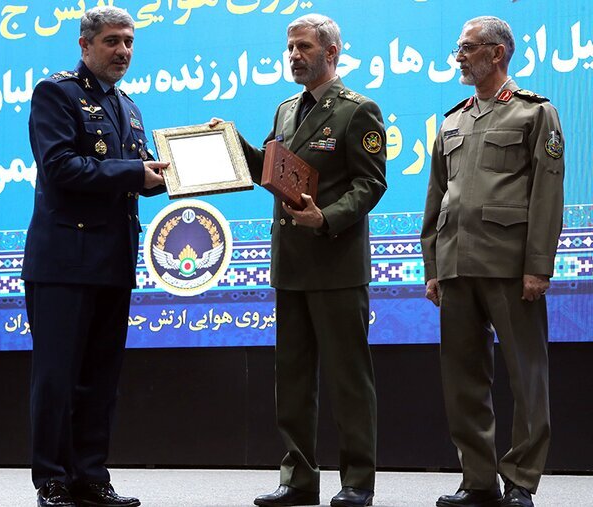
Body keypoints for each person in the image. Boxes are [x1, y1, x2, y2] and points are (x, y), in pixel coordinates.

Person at [212, 13, 387, 507]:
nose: (293, 55)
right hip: (290, 265)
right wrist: (232, 142)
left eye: (303, 47)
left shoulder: (358, 110)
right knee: (291, 380)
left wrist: (325, 218)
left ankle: (357, 482)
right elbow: (271, 171)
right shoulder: (286, 110)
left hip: (336, 264)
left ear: (331, 52)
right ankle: (298, 480)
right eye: (290, 47)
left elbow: (370, 184)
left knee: (349, 381)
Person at [23, 6, 167, 507]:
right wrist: (134, 174)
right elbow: (61, 167)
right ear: (84, 46)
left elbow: (136, 176)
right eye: (112, 41)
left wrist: (172, 172)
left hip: (112, 260)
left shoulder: (129, 107)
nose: (123, 50)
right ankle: (52, 479)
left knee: (101, 380)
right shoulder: (56, 93)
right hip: (64, 261)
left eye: (129, 41)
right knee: (57, 378)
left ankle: (91, 477)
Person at [421, 16, 564, 507]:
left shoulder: (535, 112)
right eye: (459, 48)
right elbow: (436, 197)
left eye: (467, 48)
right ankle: (478, 481)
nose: (459, 57)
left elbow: (547, 192)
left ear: (496, 53)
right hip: (456, 265)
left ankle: (521, 480)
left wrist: (538, 265)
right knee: (462, 380)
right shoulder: (452, 120)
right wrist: (432, 267)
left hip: (509, 265)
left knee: (527, 376)